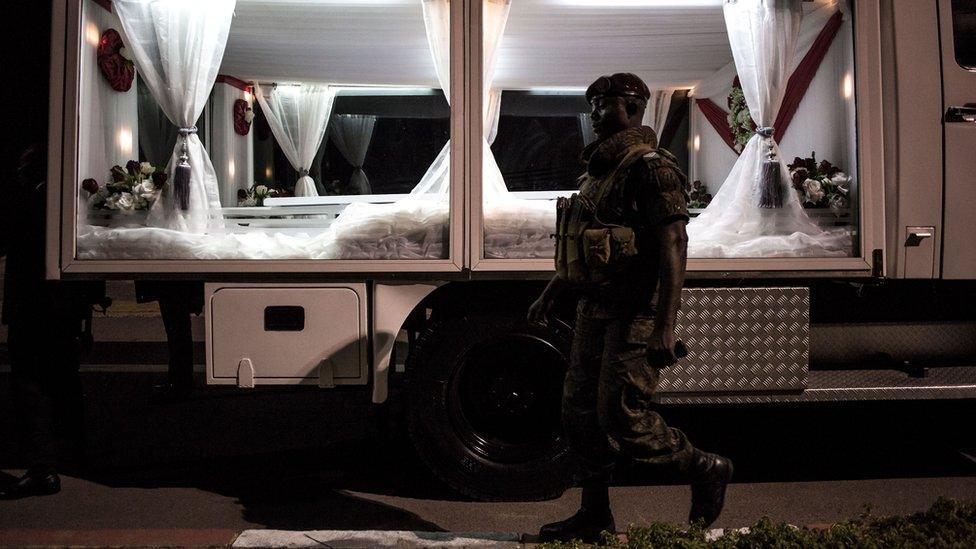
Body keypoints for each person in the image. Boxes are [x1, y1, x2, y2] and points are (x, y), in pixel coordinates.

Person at [528, 73, 733, 542]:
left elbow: (674, 244)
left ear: (635, 106)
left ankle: (704, 467)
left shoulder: (652, 168)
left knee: (622, 415)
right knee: (577, 413)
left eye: (605, 103)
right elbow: (585, 244)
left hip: (635, 312)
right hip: (593, 310)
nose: (596, 111)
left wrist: (666, 325)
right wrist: (550, 293)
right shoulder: (597, 174)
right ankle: (594, 514)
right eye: (593, 103)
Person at [0, 144, 103, 499]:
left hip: (34, 311)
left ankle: (42, 468)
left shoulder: (32, 203)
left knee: (30, 388)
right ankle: (75, 453)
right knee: (65, 384)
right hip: (63, 311)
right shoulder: (65, 204)